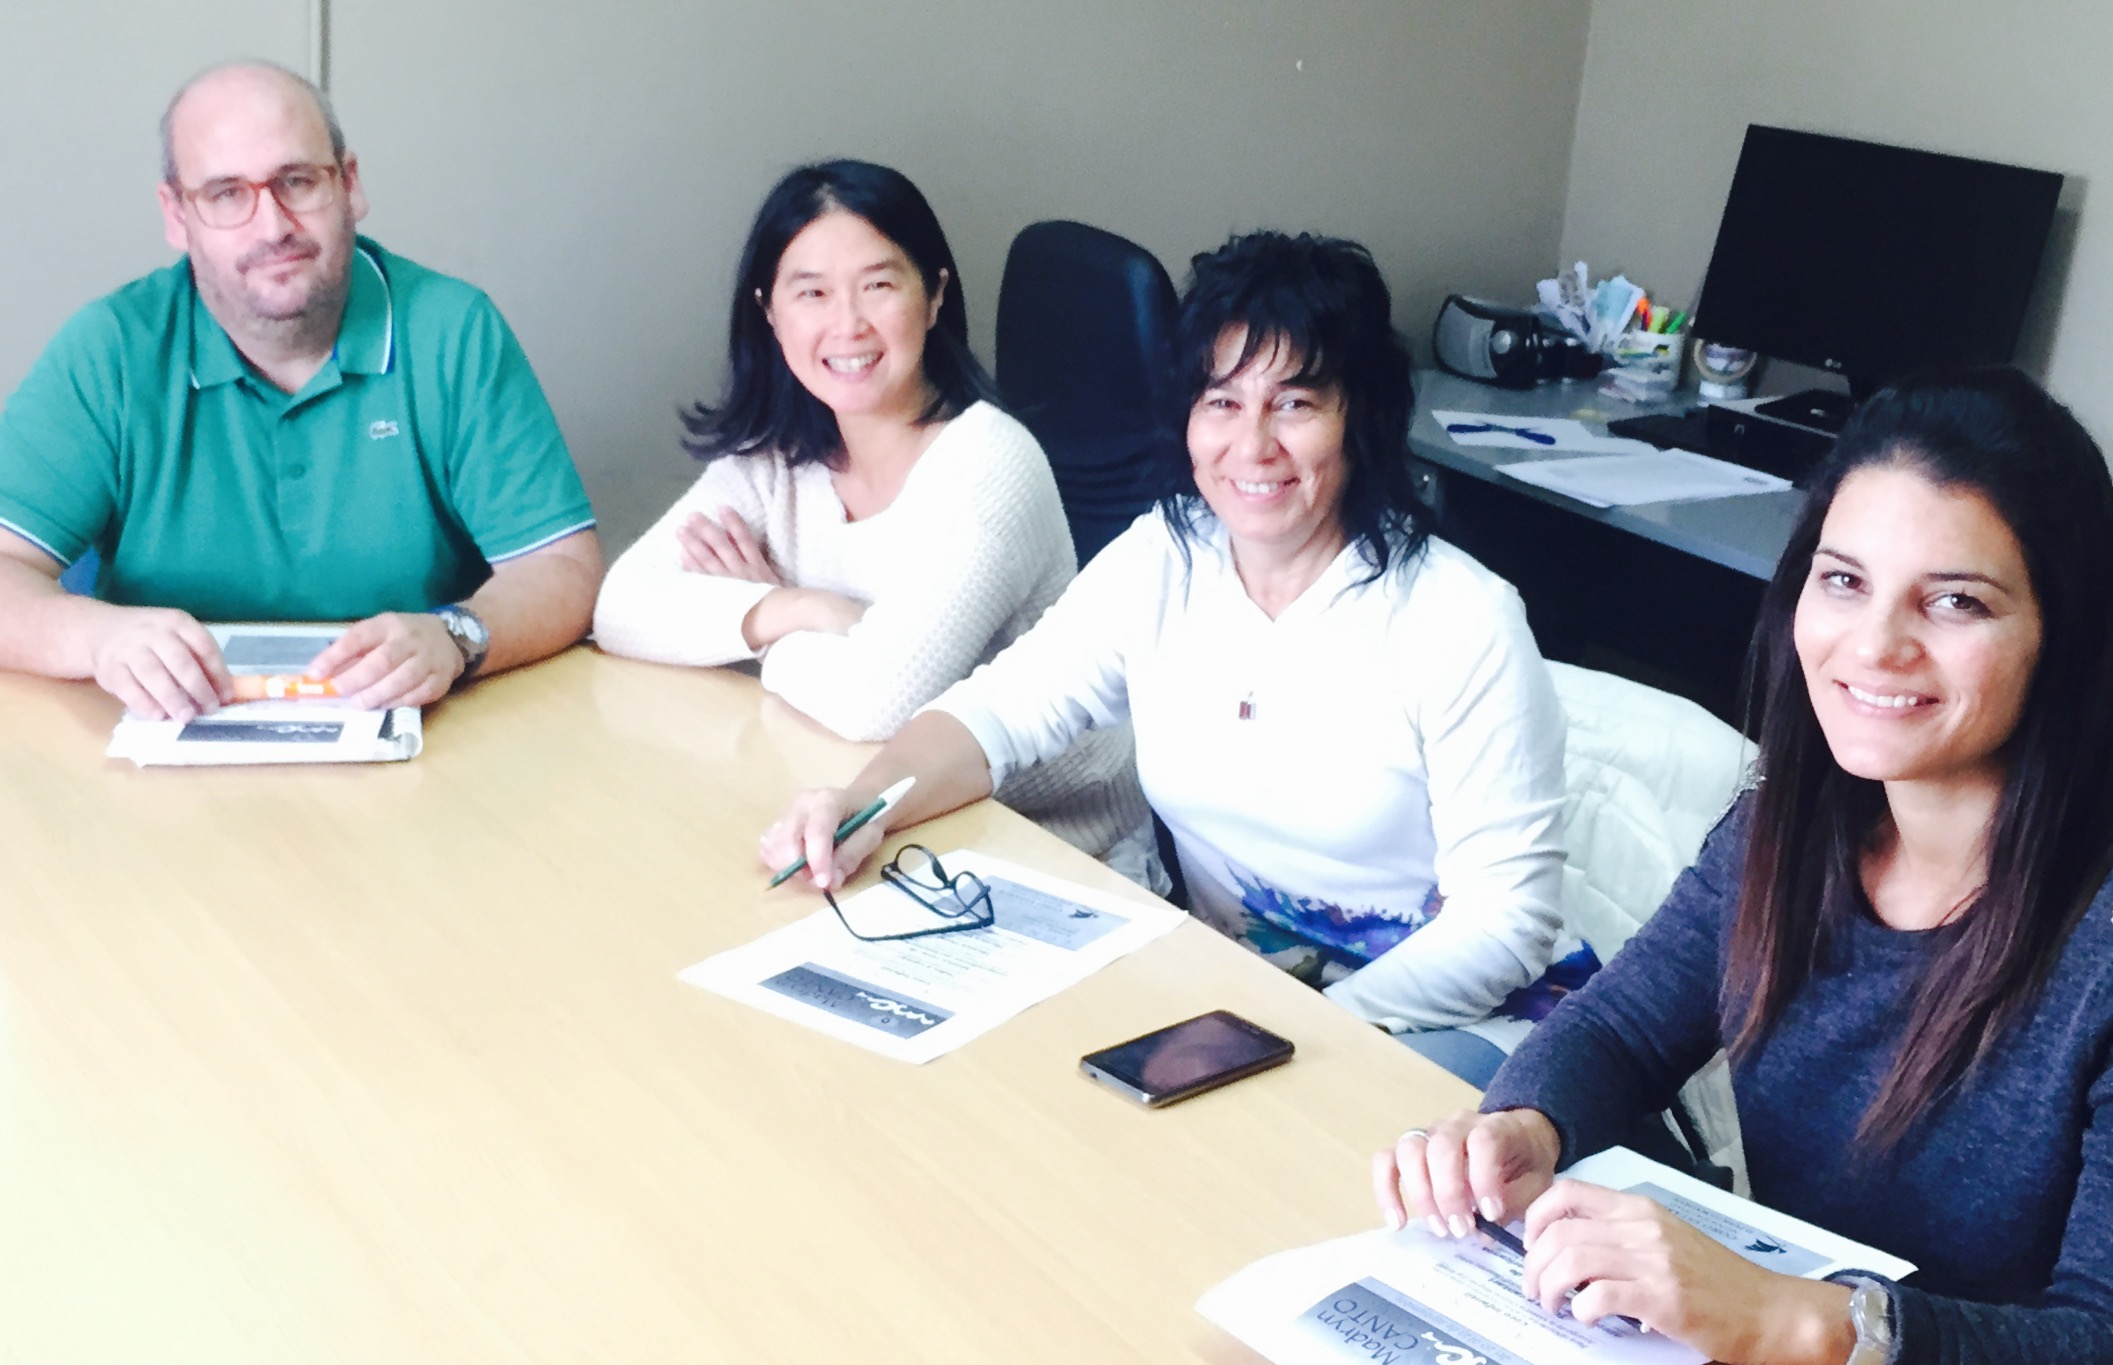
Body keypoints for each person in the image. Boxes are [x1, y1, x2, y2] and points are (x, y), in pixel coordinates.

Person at [1375, 367, 2113, 1365]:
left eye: (1954, 600)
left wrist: (1792, 1318)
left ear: (2065, 631)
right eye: (1843, 580)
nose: (1874, 644)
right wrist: (1522, 1128)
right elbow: (1618, 1030)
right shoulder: (1788, 825)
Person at [761, 231, 1568, 1037]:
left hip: (1448, 1029)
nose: (1251, 445)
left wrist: (1307, 1032)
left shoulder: (1459, 619)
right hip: (1232, 1006)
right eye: (1221, 402)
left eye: (1294, 403)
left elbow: (1506, 922)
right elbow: (996, 713)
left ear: (1361, 418)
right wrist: (862, 805)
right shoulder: (1164, 557)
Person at [0, 61, 602, 721]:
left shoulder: (453, 330)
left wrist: (456, 635)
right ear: (176, 214)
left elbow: (562, 567)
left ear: (348, 184)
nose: (271, 226)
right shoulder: (111, 349)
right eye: (227, 193)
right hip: (162, 743)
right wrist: (97, 637)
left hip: (427, 740)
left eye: (296, 180)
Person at [593, 160, 1145, 859]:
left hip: (1060, 853)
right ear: (769, 310)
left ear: (935, 295)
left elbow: (877, 705)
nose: (846, 325)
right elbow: (621, 607)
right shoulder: (775, 457)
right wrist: (789, 607)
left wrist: (747, 632)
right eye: (812, 293)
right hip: (884, 827)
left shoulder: (990, 463)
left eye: (878, 286)